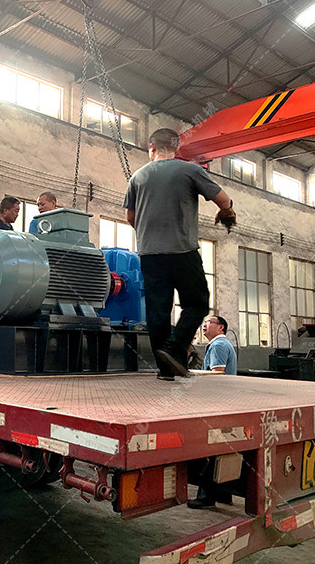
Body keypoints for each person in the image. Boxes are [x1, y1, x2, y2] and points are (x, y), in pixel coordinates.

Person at [123, 128, 236, 381]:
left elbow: (131, 217)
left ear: (150, 147)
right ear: (176, 148)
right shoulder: (190, 170)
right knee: (197, 303)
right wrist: (228, 211)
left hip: (150, 254)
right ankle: (174, 348)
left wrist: (152, 232)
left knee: (158, 311)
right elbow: (223, 200)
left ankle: (166, 371)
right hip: (182, 250)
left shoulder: (137, 177)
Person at [188, 315, 238, 509]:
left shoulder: (218, 346)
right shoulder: (220, 345)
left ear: (221, 327)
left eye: (209, 322)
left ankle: (206, 497)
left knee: (210, 450)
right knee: (223, 449)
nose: (204, 325)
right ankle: (224, 494)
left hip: (217, 402)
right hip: (224, 402)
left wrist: (191, 376)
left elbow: (217, 374)